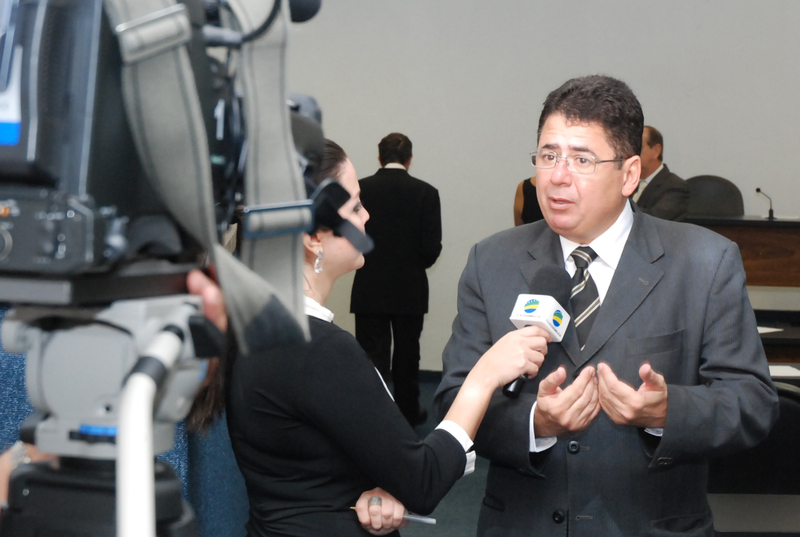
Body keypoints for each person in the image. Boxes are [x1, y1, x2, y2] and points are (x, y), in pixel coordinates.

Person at [433, 75, 778, 536]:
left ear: (630, 174)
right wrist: (535, 422)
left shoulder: (704, 261)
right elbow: (453, 397)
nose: (557, 176)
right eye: (548, 155)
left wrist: (667, 411)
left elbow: (751, 402)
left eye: (581, 159)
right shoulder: (491, 260)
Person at [189, 139, 550, 537]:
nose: (367, 215)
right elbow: (423, 480)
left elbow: (309, 463)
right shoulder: (316, 348)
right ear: (313, 237)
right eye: (356, 206)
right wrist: (485, 375)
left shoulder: (252, 324)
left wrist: (376, 489)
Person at [350, 133, 442, 426]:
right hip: (410, 289)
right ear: (409, 159)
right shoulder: (427, 193)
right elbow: (431, 249)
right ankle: (408, 413)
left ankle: (373, 416)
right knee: (407, 355)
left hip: (369, 286)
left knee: (371, 356)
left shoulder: (361, 189)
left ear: (380, 157)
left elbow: (350, 238)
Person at [633, 125, 690, 221]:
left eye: (638, 147)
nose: (632, 152)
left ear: (656, 151)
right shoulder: (625, 182)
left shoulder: (675, 186)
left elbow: (655, 219)